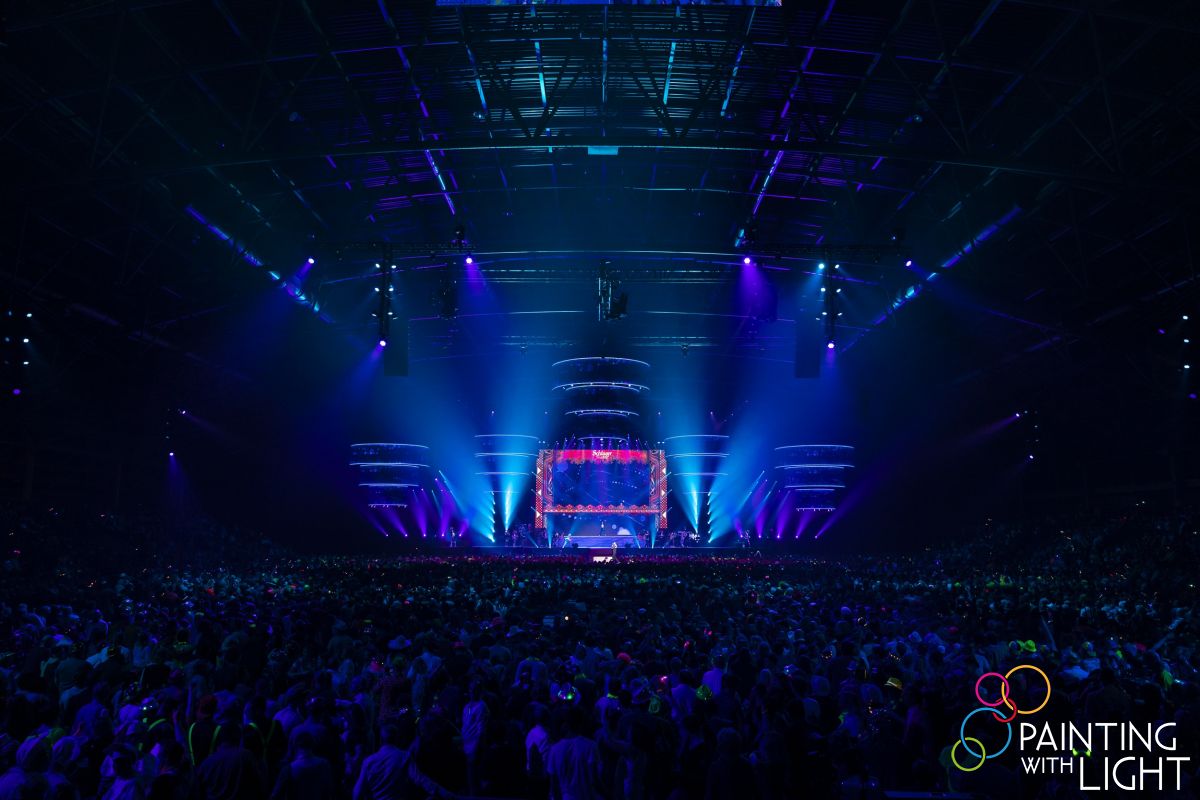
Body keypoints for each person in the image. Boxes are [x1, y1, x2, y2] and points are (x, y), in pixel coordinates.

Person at [352, 720, 454, 800]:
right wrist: (451, 796)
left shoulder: (368, 761)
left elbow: (357, 793)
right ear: (397, 739)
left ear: (380, 740)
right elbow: (422, 781)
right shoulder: (403, 757)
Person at [547, 707, 603, 800]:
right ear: (582, 724)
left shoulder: (554, 749)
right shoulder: (591, 746)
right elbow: (595, 780)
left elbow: (554, 785)